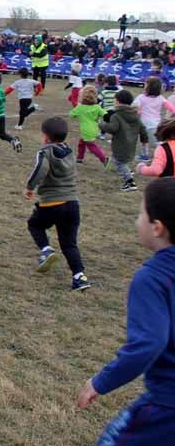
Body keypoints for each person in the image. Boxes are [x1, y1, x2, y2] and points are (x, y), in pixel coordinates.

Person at [76, 177, 175, 444]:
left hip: (167, 409)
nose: (137, 220)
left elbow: (149, 343)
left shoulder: (153, 279)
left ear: (157, 228)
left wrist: (101, 382)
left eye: (140, 213)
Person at [26, 116, 90, 291]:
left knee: (34, 225)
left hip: (52, 203)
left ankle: (46, 250)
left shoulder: (44, 152)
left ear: (45, 137)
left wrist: (30, 187)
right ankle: (80, 277)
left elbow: (41, 169)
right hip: (72, 203)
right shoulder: (69, 151)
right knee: (69, 243)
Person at [100, 89, 149, 192]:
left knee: (120, 163)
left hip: (120, 145)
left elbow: (112, 129)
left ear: (117, 101)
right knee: (121, 160)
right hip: (131, 145)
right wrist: (144, 140)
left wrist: (102, 124)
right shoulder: (135, 115)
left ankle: (130, 182)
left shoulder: (116, 116)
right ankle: (127, 171)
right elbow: (143, 128)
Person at [134, 76, 175, 157]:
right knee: (148, 140)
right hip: (156, 124)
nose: (144, 85)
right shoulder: (161, 98)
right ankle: (144, 155)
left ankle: (166, 154)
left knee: (151, 142)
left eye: (146, 84)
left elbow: (135, 107)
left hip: (145, 124)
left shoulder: (141, 97)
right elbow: (172, 108)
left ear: (149, 87)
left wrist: (138, 112)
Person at [70, 85, 108, 166]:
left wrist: (77, 107)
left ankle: (104, 159)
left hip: (86, 130)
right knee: (81, 143)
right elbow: (105, 114)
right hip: (94, 129)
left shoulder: (80, 108)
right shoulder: (97, 107)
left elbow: (71, 115)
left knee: (92, 146)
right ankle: (79, 158)